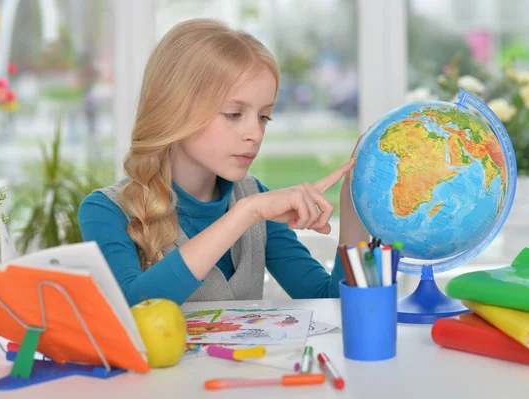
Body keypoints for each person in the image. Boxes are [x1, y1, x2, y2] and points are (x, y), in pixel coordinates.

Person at [78, 18, 369, 307]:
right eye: (233, 114)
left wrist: (355, 199)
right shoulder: (106, 210)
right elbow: (131, 307)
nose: (255, 134)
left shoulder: (254, 200)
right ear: (174, 109)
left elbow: (333, 302)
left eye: (263, 117)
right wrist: (245, 214)